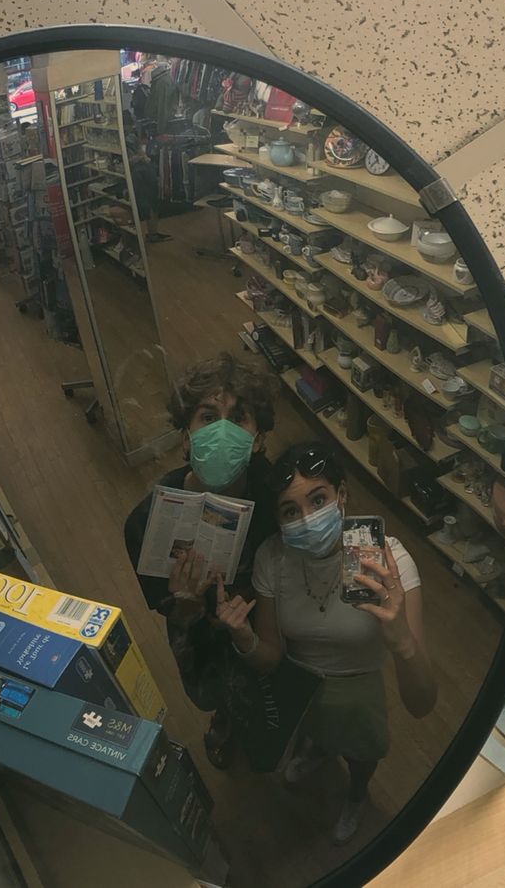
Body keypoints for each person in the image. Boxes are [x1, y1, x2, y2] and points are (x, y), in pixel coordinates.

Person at [215, 441, 437, 843]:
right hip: (301, 686)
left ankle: (356, 794)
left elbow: (422, 705)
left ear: (343, 496)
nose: (308, 519)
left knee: (362, 753)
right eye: (290, 511)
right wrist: (243, 638)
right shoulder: (274, 558)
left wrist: (401, 639)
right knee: (318, 734)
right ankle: (318, 750)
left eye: (319, 499)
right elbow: (270, 656)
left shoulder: (390, 563)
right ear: (279, 522)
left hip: (358, 690)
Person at [124, 352, 279, 766]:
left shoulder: (275, 497)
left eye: (240, 418)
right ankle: (225, 720)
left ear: (259, 439)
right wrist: (187, 608)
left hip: (263, 619)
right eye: (208, 417)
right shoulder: (146, 522)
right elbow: (167, 609)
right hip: (202, 635)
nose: (223, 432)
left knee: (270, 678)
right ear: (186, 434)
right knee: (210, 694)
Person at [124, 133, 170, 242]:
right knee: (147, 204)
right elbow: (131, 160)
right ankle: (151, 234)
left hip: (142, 172)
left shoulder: (130, 137)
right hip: (139, 173)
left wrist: (142, 157)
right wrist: (142, 157)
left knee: (150, 203)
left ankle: (152, 233)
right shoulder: (127, 138)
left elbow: (139, 153)